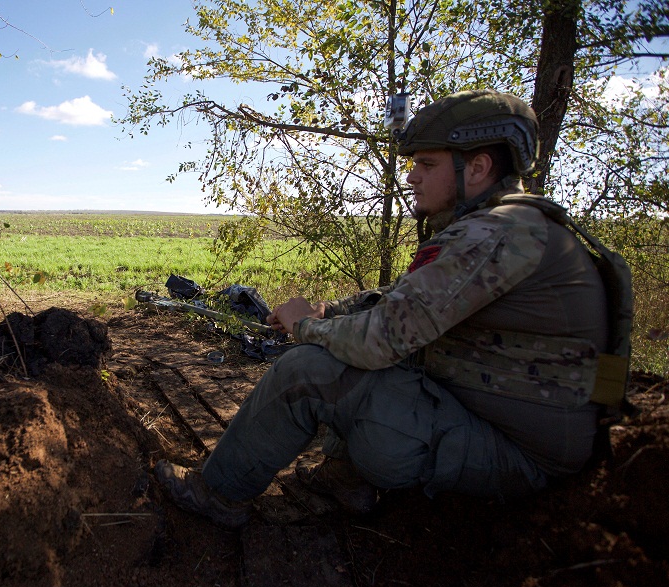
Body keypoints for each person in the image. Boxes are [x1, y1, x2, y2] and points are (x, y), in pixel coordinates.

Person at [155, 89, 624, 529]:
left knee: (309, 370)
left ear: (477, 167)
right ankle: (347, 482)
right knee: (353, 356)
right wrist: (329, 312)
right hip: (505, 434)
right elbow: (401, 301)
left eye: (426, 163)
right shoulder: (509, 227)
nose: (412, 175)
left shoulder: (498, 233)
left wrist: (306, 328)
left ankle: (218, 494)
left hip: (520, 458)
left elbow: (382, 339)